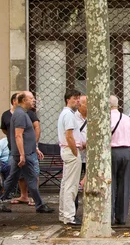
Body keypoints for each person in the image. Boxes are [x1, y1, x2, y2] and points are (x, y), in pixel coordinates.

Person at [0, 91, 54, 214]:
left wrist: (34, 148)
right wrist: (23, 155)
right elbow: (18, 136)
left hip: (25, 153)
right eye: (31, 98)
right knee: (31, 178)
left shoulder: (23, 114)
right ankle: (39, 205)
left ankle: (3, 201)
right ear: (24, 100)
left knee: (15, 178)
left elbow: (25, 135)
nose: (33, 100)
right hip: (24, 155)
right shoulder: (20, 115)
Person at [109, 95, 130, 225]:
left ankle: (109, 216)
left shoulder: (106, 118)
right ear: (117, 105)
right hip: (126, 151)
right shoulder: (126, 119)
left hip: (112, 152)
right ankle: (122, 217)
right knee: (124, 185)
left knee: (111, 183)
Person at [57, 89, 83, 225]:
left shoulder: (66, 113)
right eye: (75, 98)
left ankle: (63, 213)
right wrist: (75, 151)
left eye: (79, 98)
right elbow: (69, 136)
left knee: (66, 183)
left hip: (67, 150)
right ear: (68, 99)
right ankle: (69, 216)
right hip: (70, 151)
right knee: (71, 185)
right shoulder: (69, 115)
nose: (78, 100)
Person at [74, 95, 87, 191]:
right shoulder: (73, 117)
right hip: (77, 152)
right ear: (80, 105)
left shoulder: (94, 117)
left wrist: (87, 144)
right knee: (75, 179)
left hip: (89, 154)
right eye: (87, 104)